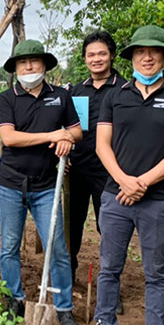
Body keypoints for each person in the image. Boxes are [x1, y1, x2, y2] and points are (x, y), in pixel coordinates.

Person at [78, 25, 164, 325]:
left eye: (155, 51)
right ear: (131, 57)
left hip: (156, 199)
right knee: (109, 266)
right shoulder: (117, 96)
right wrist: (123, 182)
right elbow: (102, 144)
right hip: (115, 198)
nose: (147, 57)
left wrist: (140, 183)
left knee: (156, 271)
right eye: (140, 51)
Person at [0, 39, 83, 325]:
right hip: (11, 184)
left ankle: (64, 308)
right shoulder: (6, 100)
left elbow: (77, 130)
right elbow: (10, 138)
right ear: (16, 68)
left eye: (34, 61)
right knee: (9, 247)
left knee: (56, 247)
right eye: (23, 62)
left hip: (47, 186)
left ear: (44, 65)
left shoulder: (60, 97)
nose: (29, 67)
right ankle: (15, 300)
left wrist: (66, 138)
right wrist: (52, 134)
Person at [67, 31, 124, 286]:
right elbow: (66, 127)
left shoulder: (126, 90)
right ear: (84, 59)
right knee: (71, 227)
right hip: (77, 170)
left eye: (102, 53)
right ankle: (67, 274)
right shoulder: (76, 91)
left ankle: (111, 285)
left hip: (111, 174)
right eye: (91, 55)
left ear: (111, 55)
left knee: (110, 230)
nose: (96, 59)